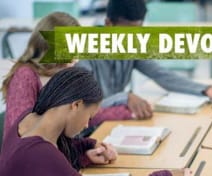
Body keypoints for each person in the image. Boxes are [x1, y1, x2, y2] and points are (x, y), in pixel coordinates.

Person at [0, 67, 184, 176]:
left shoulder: (30, 118)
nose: (87, 124)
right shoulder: (39, 153)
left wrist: (87, 147)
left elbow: (54, 157)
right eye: (89, 116)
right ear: (76, 105)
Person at [76, 0, 212, 120]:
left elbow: (161, 75)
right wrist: (125, 97)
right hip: (86, 128)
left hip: (112, 122)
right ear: (108, 24)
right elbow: (84, 107)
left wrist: (206, 89)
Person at [1, 12, 132, 142]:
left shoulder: (62, 75)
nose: (76, 59)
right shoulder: (25, 76)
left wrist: (86, 151)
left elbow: (83, 116)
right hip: (31, 160)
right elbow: (22, 137)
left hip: (53, 155)